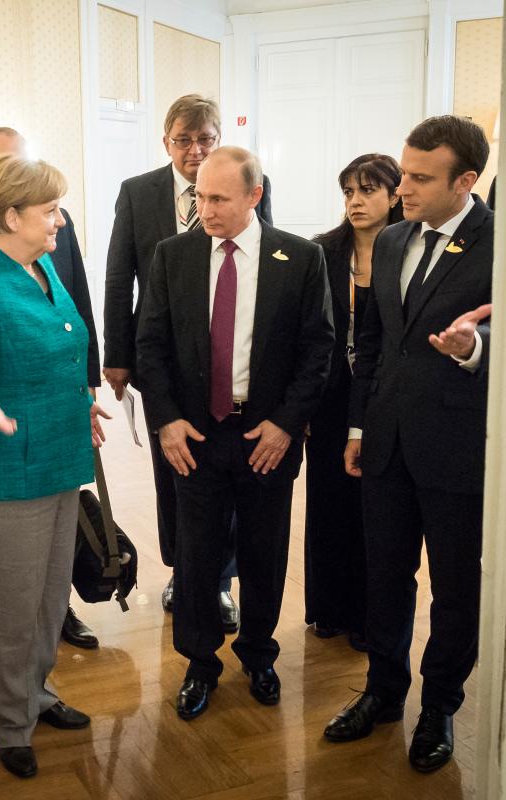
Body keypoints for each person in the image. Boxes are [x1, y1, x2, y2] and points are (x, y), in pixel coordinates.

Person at [136, 146, 334, 720]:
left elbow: (316, 351)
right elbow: (151, 345)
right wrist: (167, 421)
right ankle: (199, 663)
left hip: (265, 435)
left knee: (265, 550)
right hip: (195, 433)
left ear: (254, 195)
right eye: (199, 195)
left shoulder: (298, 258)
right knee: (196, 555)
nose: (206, 208)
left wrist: (287, 425)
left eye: (219, 198)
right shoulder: (172, 256)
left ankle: (258, 654)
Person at [324, 115, 494, 774]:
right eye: (406, 173)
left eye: (422, 179)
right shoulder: (391, 240)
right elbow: (372, 343)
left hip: (457, 449)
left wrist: (475, 347)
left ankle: (440, 706)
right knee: (385, 577)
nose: (405, 189)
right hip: (386, 443)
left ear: (466, 180)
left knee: (454, 589)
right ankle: (384, 693)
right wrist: (361, 427)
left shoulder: (503, 241)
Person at [0, 153, 110, 779]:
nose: (59, 221)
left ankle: (38, 694)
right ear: (10, 216)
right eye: (50, 210)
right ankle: (11, 724)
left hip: (59, 461)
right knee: (13, 612)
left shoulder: (39, 264)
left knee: (46, 602)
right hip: (3, 474)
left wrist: (82, 402)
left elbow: (62, 340)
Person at [104, 94, 274, 628]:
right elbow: (117, 276)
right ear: (166, 142)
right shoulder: (138, 193)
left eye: (206, 139)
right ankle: (183, 568)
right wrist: (117, 355)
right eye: (184, 140)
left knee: (227, 476)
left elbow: (264, 266)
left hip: (229, 357)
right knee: (172, 470)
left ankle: (219, 580)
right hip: (164, 359)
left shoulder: (249, 185)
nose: (195, 150)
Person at [304, 154, 404, 651]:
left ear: (394, 194)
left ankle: (368, 614)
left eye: (367, 190)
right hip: (328, 394)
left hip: (382, 394)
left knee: (374, 507)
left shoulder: (408, 249)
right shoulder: (323, 251)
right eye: (348, 192)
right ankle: (328, 607)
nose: (356, 201)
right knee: (327, 501)